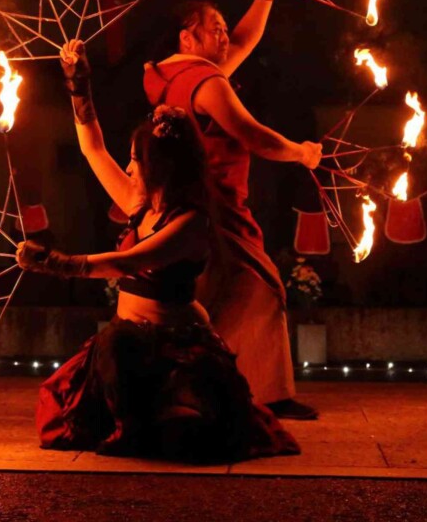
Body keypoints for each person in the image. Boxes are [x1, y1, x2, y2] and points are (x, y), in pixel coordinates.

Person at [16, 40, 299, 462]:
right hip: (127, 349)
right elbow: (93, 148)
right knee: (65, 403)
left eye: (136, 160)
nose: (129, 167)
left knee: (185, 430)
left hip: (178, 352)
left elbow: (127, 262)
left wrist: (56, 263)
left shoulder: (191, 222)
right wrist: (79, 85)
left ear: (159, 168)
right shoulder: (138, 205)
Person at [143, 0, 322, 419]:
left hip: (184, 207)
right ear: (187, 38)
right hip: (216, 208)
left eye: (223, 28)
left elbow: (243, 41)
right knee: (261, 288)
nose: (225, 37)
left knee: (206, 300)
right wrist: (301, 153)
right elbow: (254, 136)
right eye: (215, 29)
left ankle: (202, 389)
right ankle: (261, 393)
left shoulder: (167, 76)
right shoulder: (205, 82)